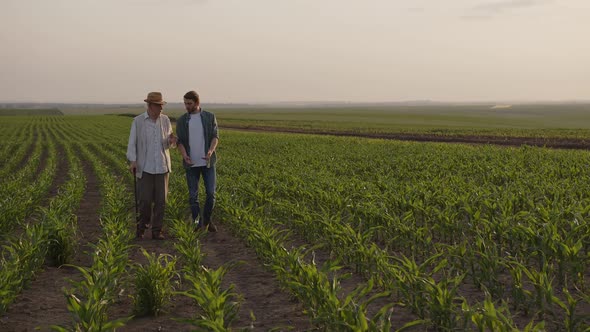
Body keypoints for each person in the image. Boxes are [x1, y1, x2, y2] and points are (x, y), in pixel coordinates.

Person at [126, 91, 177, 240]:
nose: (161, 108)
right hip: (145, 167)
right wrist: (133, 160)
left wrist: (172, 141)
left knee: (161, 202)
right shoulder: (138, 121)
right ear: (149, 106)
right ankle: (142, 227)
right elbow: (132, 143)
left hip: (162, 166)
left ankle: (157, 231)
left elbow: (167, 142)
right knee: (145, 201)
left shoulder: (165, 120)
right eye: (158, 105)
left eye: (162, 105)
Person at [175, 90, 219, 232]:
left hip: (207, 163)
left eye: (189, 103)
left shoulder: (209, 117)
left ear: (197, 103)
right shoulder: (182, 120)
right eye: (185, 103)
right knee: (193, 196)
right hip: (191, 164)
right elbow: (180, 141)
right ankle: (197, 223)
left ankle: (206, 221)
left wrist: (210, 151)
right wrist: (184, 156)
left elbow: (215, 137)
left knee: (211, 194)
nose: (187, 106)